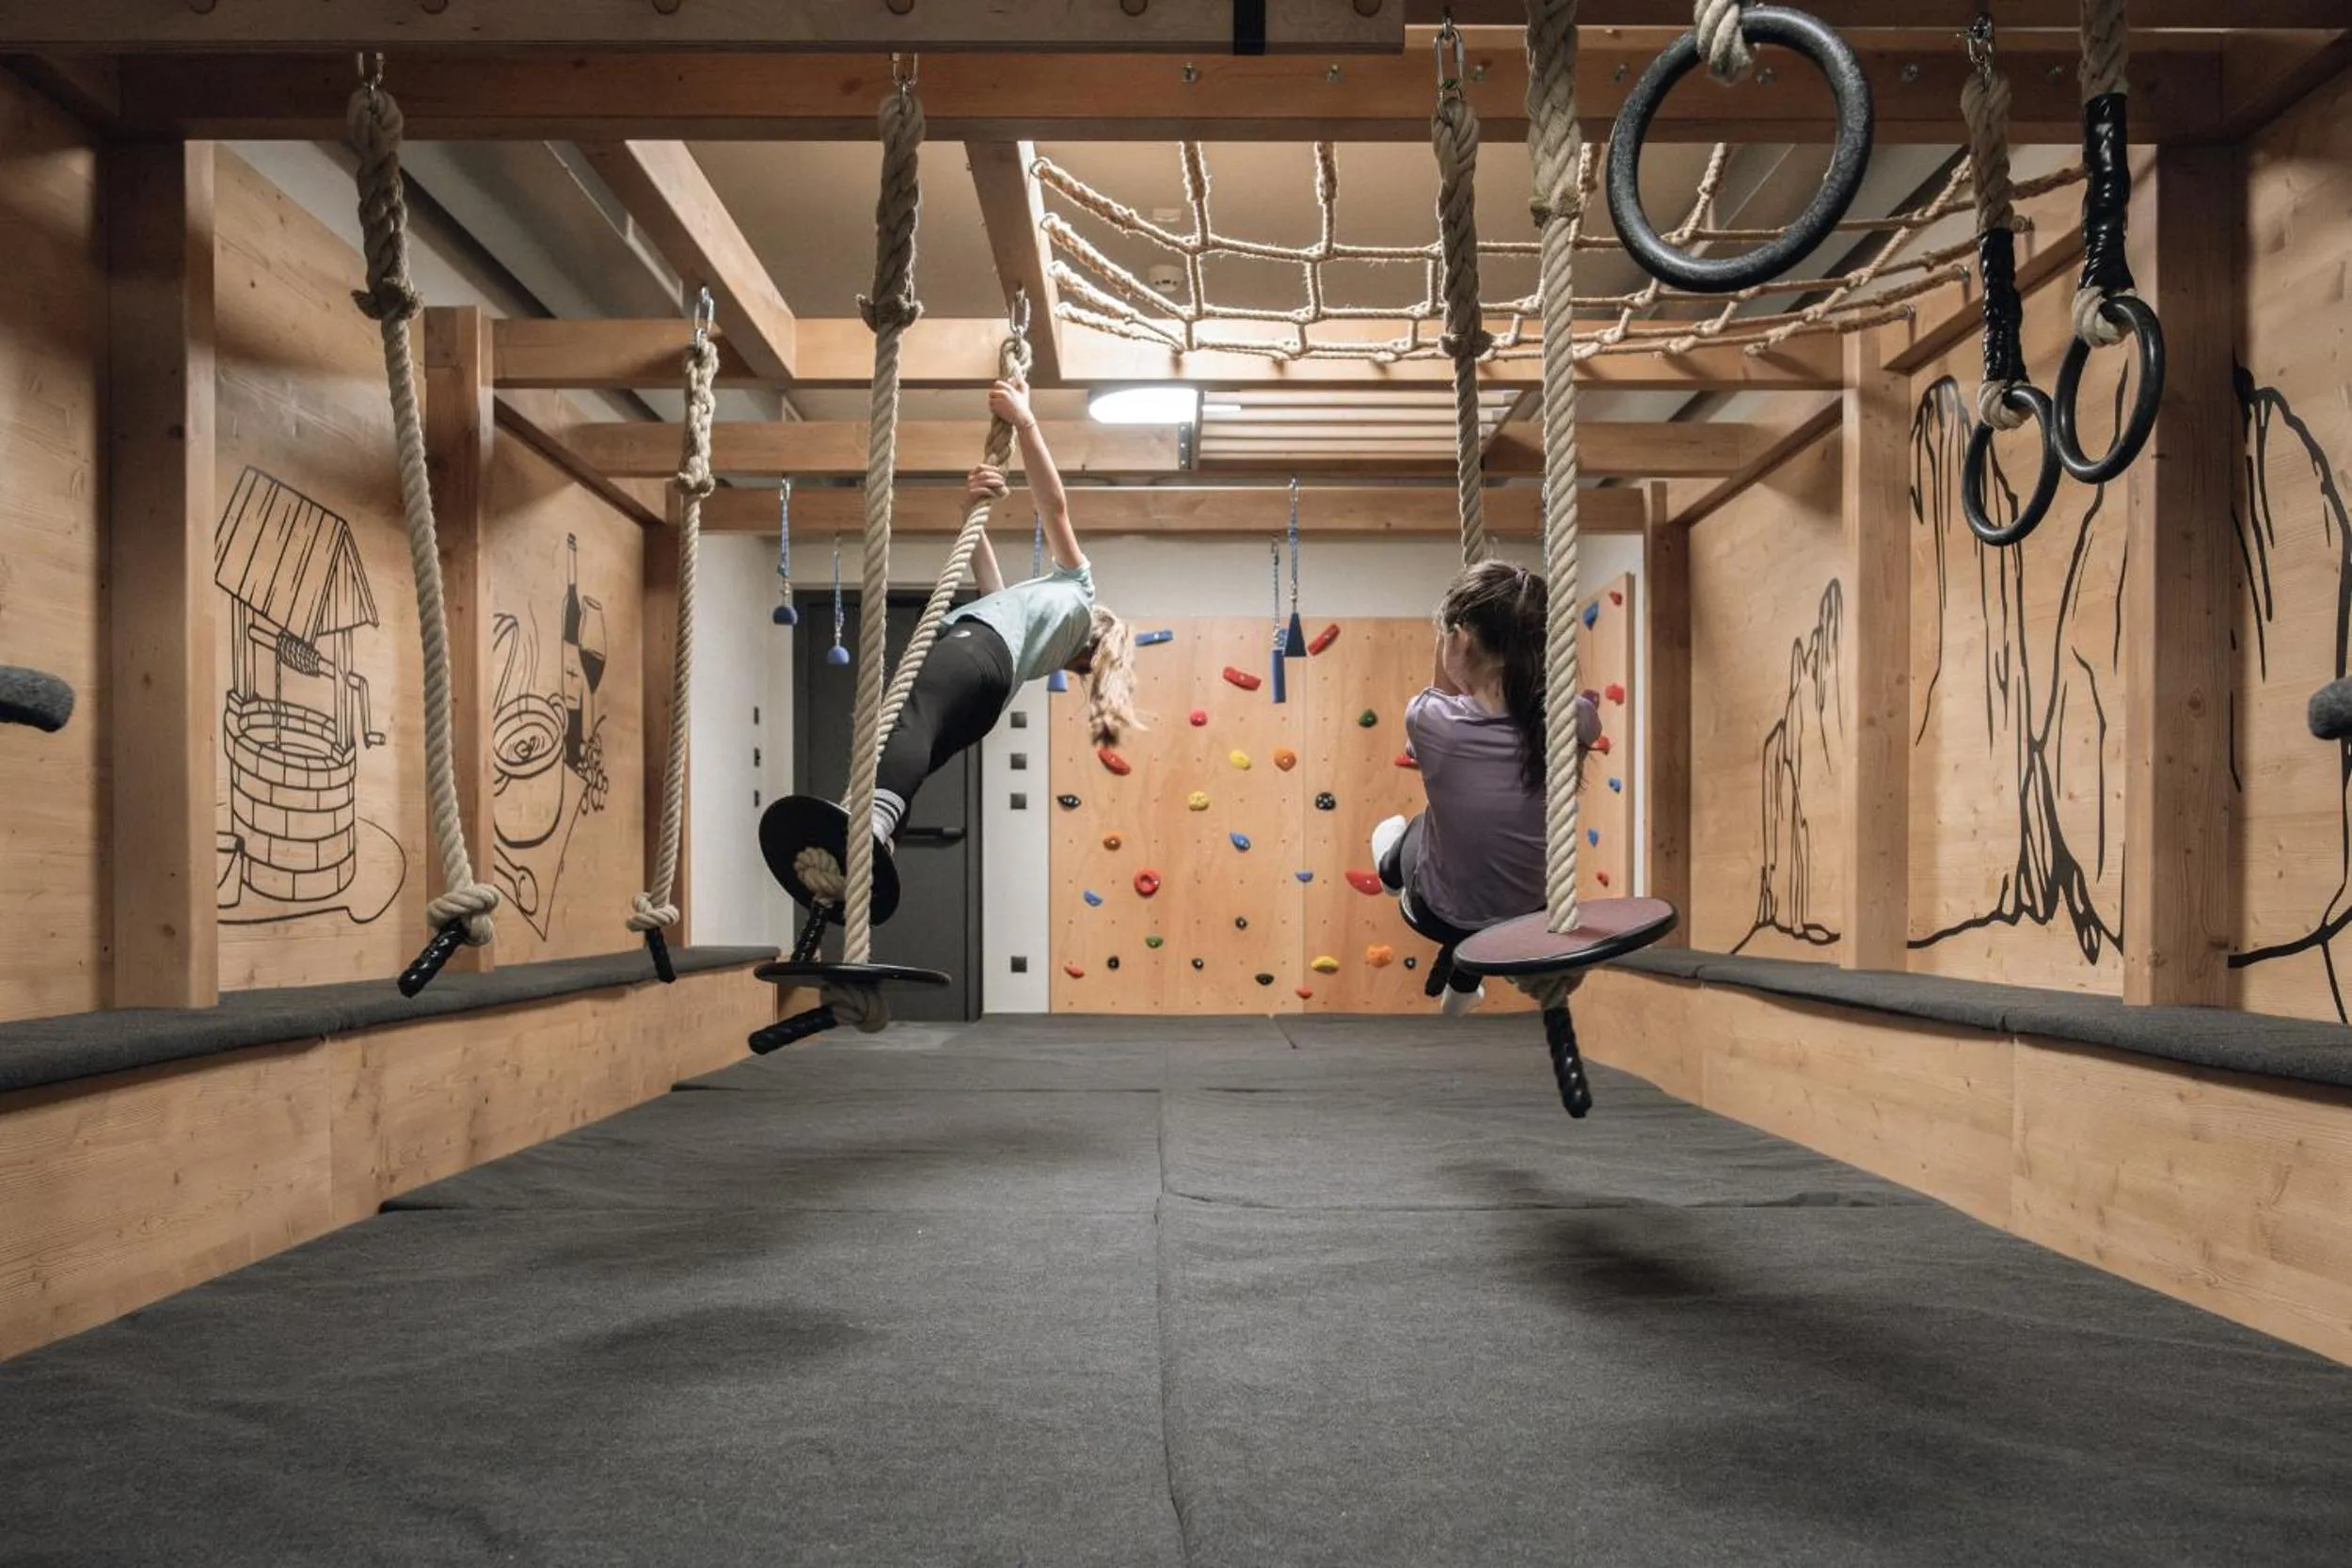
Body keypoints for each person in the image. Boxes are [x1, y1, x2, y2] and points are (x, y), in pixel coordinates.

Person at [867, 374, 1141, 848]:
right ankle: (883, 840)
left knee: (910, 724)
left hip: (976, 654)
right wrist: (969, 511)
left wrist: (1026, 422)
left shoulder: (1078, 590)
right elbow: (991, 589)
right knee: (916, 743)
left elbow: (1054, 508)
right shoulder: (1042, 640)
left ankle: (874, 824)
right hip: (986, 700)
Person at [1372, 559, 1603, 1014]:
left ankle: (1386, 872)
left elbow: (1442, 697)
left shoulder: (1429, 719)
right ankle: (1463, 982)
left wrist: (1445, 644)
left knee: (1418, 828)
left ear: (1460, 639)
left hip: (1436, 914)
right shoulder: (1573, 717)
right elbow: (1561, 718)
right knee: (1467, 853)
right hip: (1526, 913)